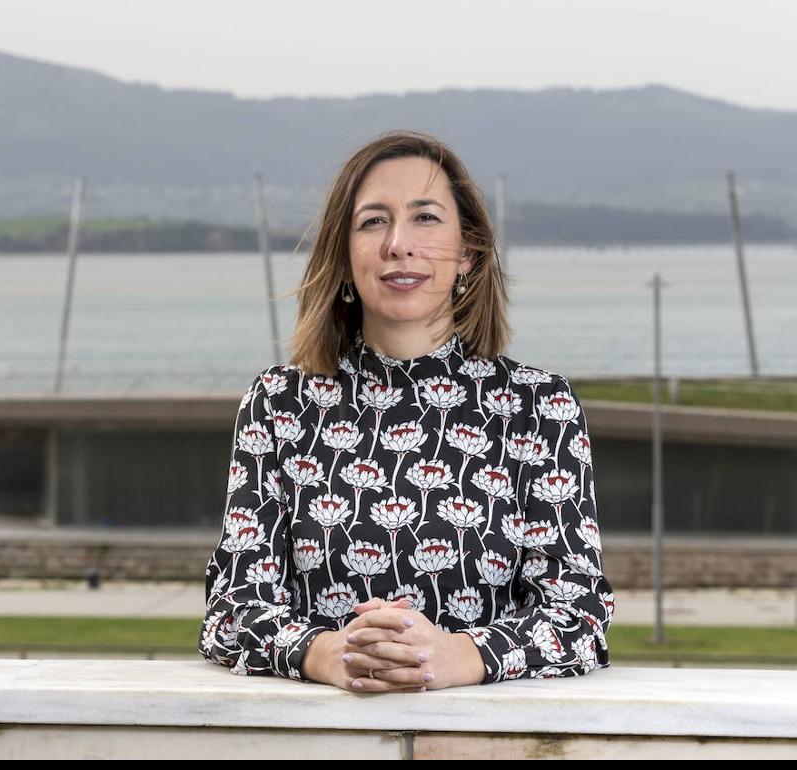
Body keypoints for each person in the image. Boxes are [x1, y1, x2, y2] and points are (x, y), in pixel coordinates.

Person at [197, 130, 614, 695]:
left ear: (468, 251)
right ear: (344, 259)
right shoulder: (278, 404)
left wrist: (456, 656)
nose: (398, 244)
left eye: (425, 218)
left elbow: (580, 617)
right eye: (372, 222)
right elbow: (231, 613)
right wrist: (330, 654)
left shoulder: (539, 408)